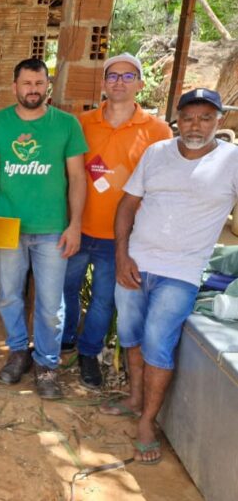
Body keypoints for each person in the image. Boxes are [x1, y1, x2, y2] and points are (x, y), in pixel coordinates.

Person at [107, 88, 238, 464]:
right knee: (130, 335)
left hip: (180, 272)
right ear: (177, 120)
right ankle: (135, 398)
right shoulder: (157, 153)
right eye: (189, 117)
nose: (196, 126)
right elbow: (127, 204)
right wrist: (121, 255)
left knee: (157, 344)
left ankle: (147, 422)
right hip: (135, 263)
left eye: (206, 118)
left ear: (218, 121)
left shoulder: (231, 161)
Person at [0, 58, 88, 399]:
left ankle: (47, 365)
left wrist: (75, 224)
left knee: (50, 304)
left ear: (47, 86)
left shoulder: (66, 124)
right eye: (27, 83)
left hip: (52, 228)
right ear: (14, 87)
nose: (33, 89)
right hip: (8, 225)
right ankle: (18, 352)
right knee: (8, 296)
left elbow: (78, 177)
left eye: (39, 83)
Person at [61, 53, 172, 389]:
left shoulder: (157, 130)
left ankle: (88, 352)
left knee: (104, 299)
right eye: (113, 76)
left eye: (128, 76)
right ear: (103, 83)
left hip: (120, 236)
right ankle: (65, 340)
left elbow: (161, 185)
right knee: (65, 289)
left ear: (140, 84)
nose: (119, 82)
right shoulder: (82, 123)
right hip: (77, 227)